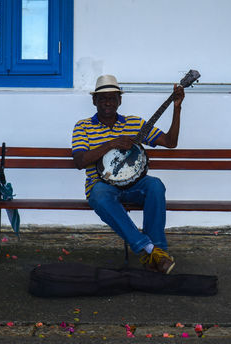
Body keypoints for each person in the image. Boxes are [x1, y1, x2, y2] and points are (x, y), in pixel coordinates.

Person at [71, 74, 185, 274]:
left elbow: (170, 142)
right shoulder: (83, 127)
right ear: (94, 100)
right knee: (98, 193)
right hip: (103, 187)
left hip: (134, 186)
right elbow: (80, 162)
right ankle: (150, 250)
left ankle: (157, 250)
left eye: (112, 97)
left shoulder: (134, 123)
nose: (108, 102)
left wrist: (177, 108)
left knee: (155, 185)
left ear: (120, 100)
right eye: (103, 98)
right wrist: (111, 143)